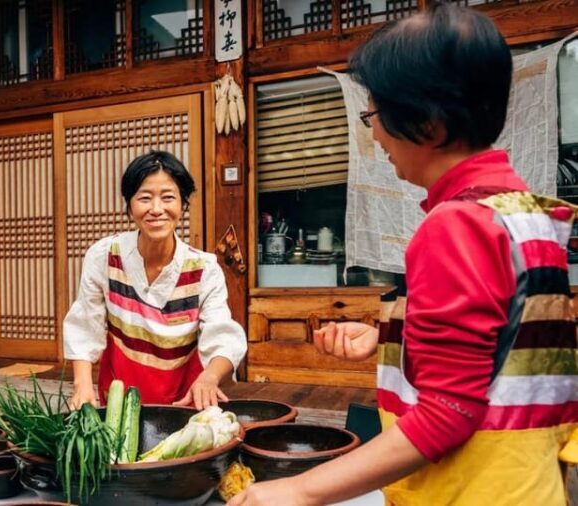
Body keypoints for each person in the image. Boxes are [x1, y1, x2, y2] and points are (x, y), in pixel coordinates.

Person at [229, 4, 577, 506]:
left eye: (374, 115)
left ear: (429, 123)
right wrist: (393, 333)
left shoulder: (454, 226)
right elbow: (505, 336)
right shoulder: (523, 212)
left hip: (468, 491)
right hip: (527, 485)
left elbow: (447, 414)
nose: (373, 135)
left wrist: (298, 490)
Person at [64, 150, 247, 410]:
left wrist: (210, 377)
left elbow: (223, 336)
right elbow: (85, 326)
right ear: (129, 205)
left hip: (185, 402)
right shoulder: (104, 257)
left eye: (168, 197)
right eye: (145, 198)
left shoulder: (205, 269)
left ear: (183, 204)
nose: (157, 209)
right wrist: (82, 385)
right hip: (119, 403)